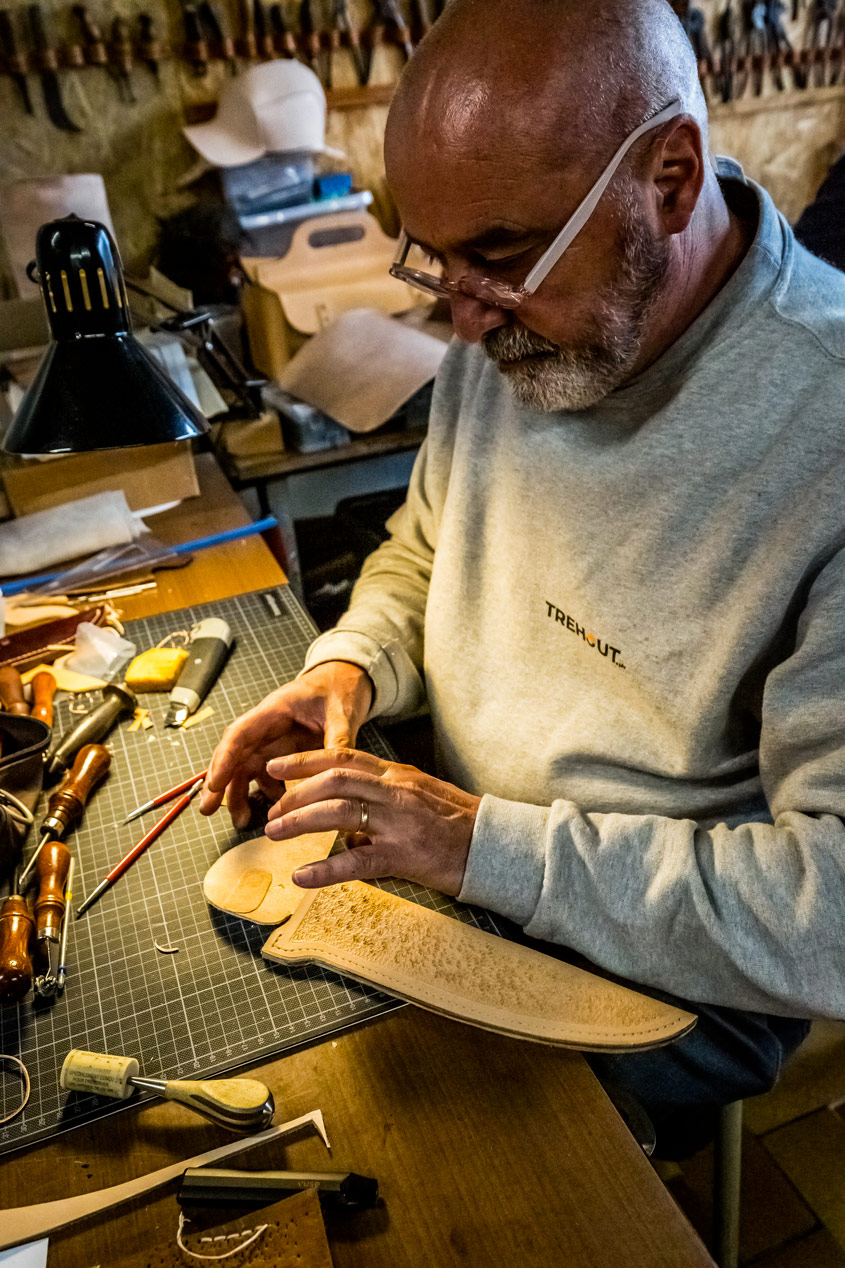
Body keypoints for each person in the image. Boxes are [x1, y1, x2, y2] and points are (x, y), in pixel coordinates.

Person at [201, 0, 845, 1155]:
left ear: (668, 175)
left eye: (496, 256)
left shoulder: (825, 426)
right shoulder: (513, 328)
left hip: (673, 965)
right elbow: (425, 541)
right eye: (434, 259)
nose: (457, 312)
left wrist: (477, 846)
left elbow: (830, 916)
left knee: (409, 1163)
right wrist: (354, 661)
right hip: (458, 848)